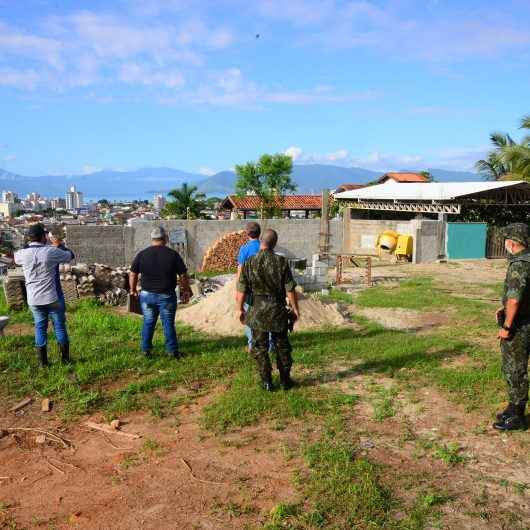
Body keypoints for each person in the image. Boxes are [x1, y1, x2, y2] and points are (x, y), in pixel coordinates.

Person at [236, 228, 300, 391]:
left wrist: (239, 309)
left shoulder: (250, 262)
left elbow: (241, 288)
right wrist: (294, 308)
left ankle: (267, 382)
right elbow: (290, 289)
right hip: (277, 310)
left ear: (261, 242)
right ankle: (285, 381)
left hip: (257, 310)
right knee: (282, 346)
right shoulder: (281, 262)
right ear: (275, 243)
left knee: (260, 347)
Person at [14, 223, 74, 366]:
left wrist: (27, 245)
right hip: (52, 297)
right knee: (59, 326)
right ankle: (65, 360)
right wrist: (59, 244)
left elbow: (16, 258)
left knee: (40, 327)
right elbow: (70, 256)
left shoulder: (22, 254)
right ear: (43, 237)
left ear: (30, 238)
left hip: (34, 299)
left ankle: (43, 363)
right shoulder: (50, 251)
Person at [129, 226, 191, 358]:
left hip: (146, 296)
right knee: (168, 323)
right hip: (166, 296)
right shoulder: (172, 255)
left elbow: (133, 274)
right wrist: (186, 290)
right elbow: (183, 275)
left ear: (152, 239)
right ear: (166, 238)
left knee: (148, 322)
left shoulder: (142, 254)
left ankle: (145, 350)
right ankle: (172, 351)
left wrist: (133, 290)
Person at [494, 223, 530, 431]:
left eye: (506, 239)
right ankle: (512, 408)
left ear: (512, 242)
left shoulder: (519, 264)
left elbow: (515, 299)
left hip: (520, 325)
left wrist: (507, 326)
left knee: (515, 369)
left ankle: (516, 415)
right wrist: (504, 306)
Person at [237, 222, 262, 351]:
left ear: (247, 233)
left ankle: (252, 344)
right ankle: (268, 345)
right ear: (259, 233)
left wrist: (238, 290)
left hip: (249, 290)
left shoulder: (245, 249)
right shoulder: (265, 247)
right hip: (264, 289)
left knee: (248, 317)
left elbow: (240, 271)